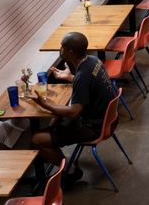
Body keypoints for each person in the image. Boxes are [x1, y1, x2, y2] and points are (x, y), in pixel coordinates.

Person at [31, 32, 115, 185]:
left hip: (93, 127)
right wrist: (70, 77)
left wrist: (45, 105)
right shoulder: (93, 60)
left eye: (63, 47)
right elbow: (88, 82)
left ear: (70, 52)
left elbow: (74, 112)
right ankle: (55, 149)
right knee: (54, 121)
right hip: (108, 119)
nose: (60, 49)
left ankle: (69, 170)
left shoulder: (82, 76)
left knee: (36, 139)